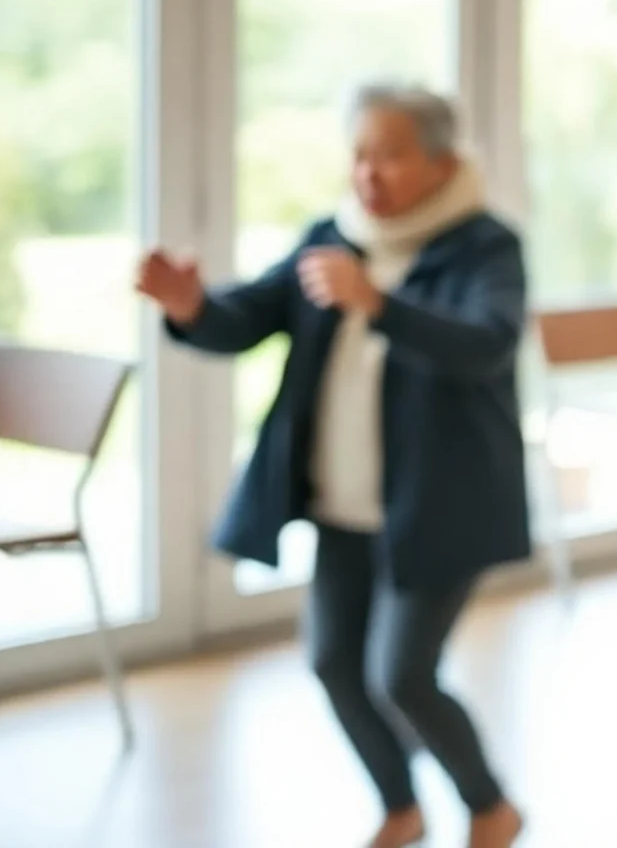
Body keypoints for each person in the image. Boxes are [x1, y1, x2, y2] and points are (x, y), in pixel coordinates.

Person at [134, 84, 527, 848]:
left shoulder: (485, 246)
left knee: (402, 674)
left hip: (443, 507)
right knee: (334, 664)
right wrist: (191, 306)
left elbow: (487, 343)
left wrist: (379, 303)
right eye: (359, 154)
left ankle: (490, 806)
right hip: (343, 504)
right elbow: (247, 314)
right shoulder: (332, 237)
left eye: (389, 155)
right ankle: (401, 807)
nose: (367, 174)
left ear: (443, 164)